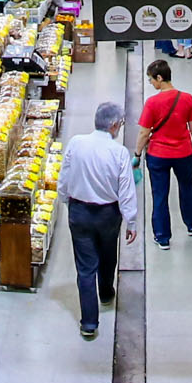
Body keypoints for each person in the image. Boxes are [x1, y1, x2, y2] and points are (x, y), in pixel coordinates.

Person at [61, 101, 137, 341]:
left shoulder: (76, 143)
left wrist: (67, 201)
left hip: (79, 212)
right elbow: (126, 190)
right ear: (114, 125)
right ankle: (105, 291)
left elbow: (64, 177)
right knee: (107, 254)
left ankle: (89, 323)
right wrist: (131, 220)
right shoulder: (118, 153)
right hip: (108, 214)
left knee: (85, 268)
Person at [138, 59, 192, 248]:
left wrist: (137, 153)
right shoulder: (187, 98)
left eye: (151, 79)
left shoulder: (152, 103)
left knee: (159, 194)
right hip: (183, 153)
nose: (151, 83)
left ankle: (162, 236)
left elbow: (143, 132)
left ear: (159, 77)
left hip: (158, 155)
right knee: (187, 187)